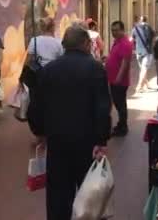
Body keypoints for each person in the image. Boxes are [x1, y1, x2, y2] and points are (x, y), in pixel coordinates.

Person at [27, 25, 111, 220]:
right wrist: (101, 140)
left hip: (57, 142)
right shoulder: (96, 68)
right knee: (90, 195)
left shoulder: (48, 71)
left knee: (58, 197)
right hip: (87, 143)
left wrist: (39, 132)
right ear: (85, 43)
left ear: (64, 45)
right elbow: (102, 108)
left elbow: (35, 106)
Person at [106, 20, 133, 136]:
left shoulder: (125, 43)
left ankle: (123, 127)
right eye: (112, 30)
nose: (114, 32)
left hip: (119, 81)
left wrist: (119, 78)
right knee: (118, 103)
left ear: (122, 30)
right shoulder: (117, 42)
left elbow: (125, 63)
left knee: (120, 104)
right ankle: (121, 125)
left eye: (116, 30)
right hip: (113, 78)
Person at [131, 15, 155, 93]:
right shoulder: (150, 28)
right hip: (148, 51)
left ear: (140, 20)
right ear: (146, 20)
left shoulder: (135, 29)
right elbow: (154, 38)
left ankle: (146, 84)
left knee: (142, 69)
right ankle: (139, 86)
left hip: (139, 51)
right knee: (144, 69)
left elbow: (132, 39)